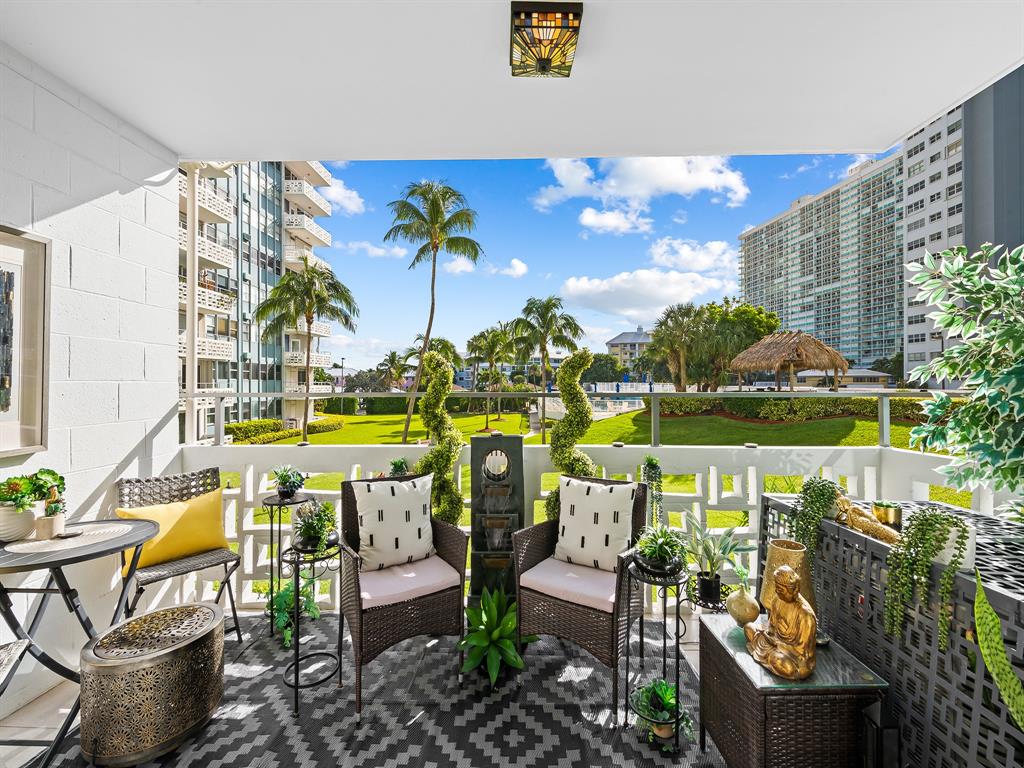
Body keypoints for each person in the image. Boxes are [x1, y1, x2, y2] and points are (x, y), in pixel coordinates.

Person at [743, 564, 816, 680]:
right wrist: (769, 633)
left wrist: (778, 644)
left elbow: (803, 653)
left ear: (792, 590)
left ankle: (772, 659)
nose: (777, 591)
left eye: (781, 589)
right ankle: (768, 656)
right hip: (773, 643)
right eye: (776, 587)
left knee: (784, 665)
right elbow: (771, 626)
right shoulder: (777, 599)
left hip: (793, 656)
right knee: (748, 628)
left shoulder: (805, 615)